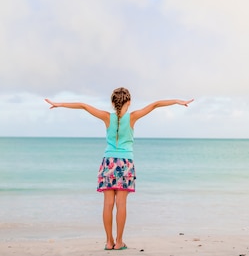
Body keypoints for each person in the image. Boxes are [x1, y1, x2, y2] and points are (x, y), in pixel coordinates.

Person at [45, 88, 193, 251]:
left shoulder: (107, 117)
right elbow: (156, 104)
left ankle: (109, 242)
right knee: (121, 203)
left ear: (112, 102)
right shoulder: (133, 117)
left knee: (108, 204)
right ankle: (119, 242)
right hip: (125, 163)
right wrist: (179, 101)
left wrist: (59, 104)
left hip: (108, 162)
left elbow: (83, 105)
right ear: (128, 102)